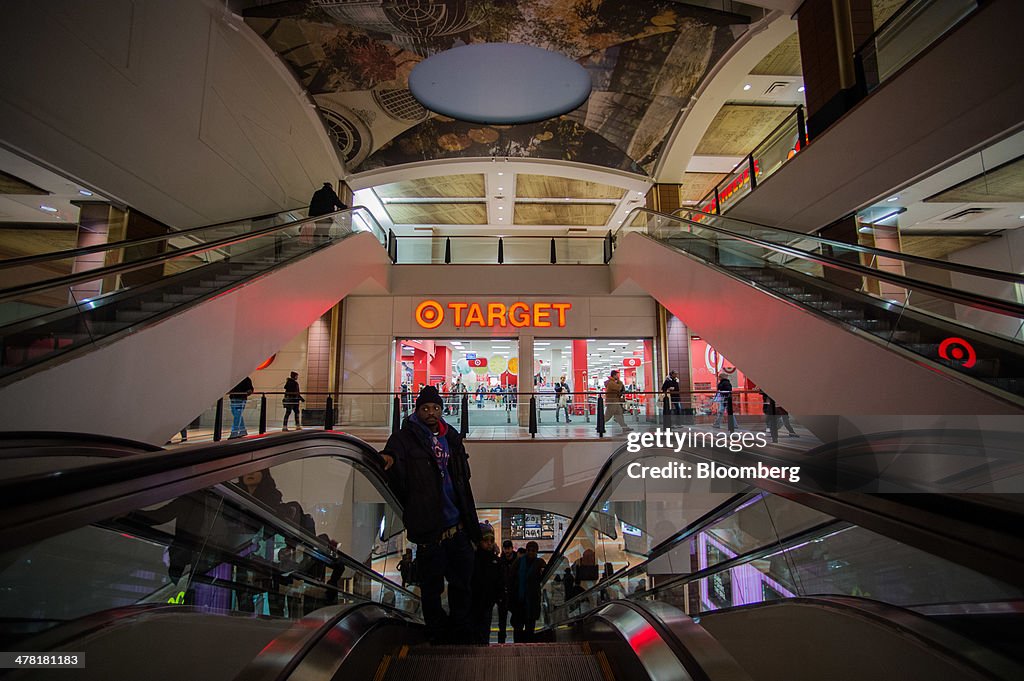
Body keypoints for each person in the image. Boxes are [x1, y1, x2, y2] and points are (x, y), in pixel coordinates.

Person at [379, 386, 482, 644]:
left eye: (435, 408)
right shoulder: (404, 438)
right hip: (429, 532)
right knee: (431, 590)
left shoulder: (452, 437)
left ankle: (462, 632)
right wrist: (387, 459)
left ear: (441, 410)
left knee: (463, 585)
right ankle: (437, 634)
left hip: (457, 526)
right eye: (425, 408)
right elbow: (393, 454)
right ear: (417, 411)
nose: (431, 413)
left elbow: (462, 481)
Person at [470, 522, 502, 644]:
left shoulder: (495, 560)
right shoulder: (473, 559)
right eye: (485, 540)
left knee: (484, 629)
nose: (489, 543)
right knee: (477, 629)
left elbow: (498, 580)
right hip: (475, 600)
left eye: (491, 540)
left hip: (487, 601)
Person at [510, 540, 546, 642]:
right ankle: (519, 649)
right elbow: (511, 579)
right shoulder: (519, 562)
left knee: (529, 630)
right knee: (519, 629)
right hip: (520, 603)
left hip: (531, 603)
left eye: (533, 550)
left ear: (536, 551)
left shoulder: (539, 563)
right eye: (529, 550)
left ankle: (525, 649)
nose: (531, 552)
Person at [496, 539, 516, 643]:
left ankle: (518, 640)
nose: (507, 551)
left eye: (508, 548)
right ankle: (501, 641)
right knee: (502, 620)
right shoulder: (500, 562)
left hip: (514, 594)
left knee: (516, 619)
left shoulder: (517, 561)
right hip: (503, 595)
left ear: (512, 548)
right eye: (505, 549)